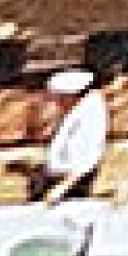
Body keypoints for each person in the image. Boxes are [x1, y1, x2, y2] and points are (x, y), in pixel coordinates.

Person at [26, 69, 107, 204]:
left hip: (69, 187)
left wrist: (60, 189)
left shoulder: (90, 119)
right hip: (58, 181)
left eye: (60, 98)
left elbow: (85, 162)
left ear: (71, 96)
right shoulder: (79, 111)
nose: (57, 103)